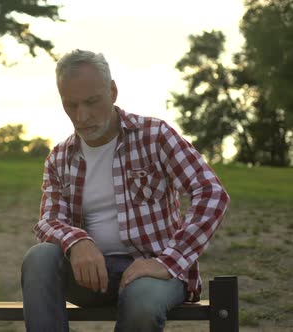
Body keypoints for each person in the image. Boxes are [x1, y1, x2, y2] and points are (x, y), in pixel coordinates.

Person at [21, 50, 230, 332]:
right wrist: (78, 242)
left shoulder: (154, 136)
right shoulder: (60, 157)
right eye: (71, 105)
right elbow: (49, 221)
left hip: (156, 273)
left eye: (92, 102)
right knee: (39, 257)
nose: (82, 116)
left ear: (113, 91)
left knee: (142, 302)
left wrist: (167, 263)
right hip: (92, 277)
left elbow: (211, 193)